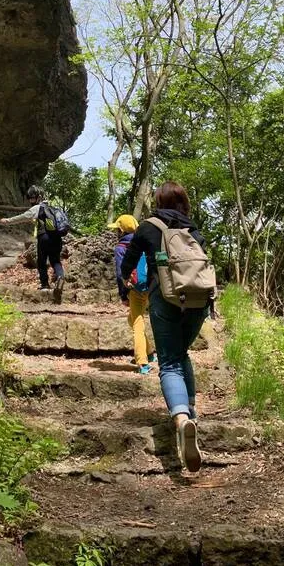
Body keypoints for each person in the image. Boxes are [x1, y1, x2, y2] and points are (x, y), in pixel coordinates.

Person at [120, 182, 209, 473]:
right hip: (198, 300)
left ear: (158, 201)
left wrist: (125, 280)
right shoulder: (193, 229)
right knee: (182, 353)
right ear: (184, 202)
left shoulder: (148, 227)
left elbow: (129, 261)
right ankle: (192, 412)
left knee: (169, 362)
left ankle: (182, 420)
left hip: (166, 298)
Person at [108, 214, 156, 375]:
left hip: (135, 289)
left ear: (121, 230)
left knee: (137, 323)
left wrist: (123, 295)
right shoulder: (144, 241)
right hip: (151, 286)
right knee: (132, 319)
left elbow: (121, 273)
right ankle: (149, 353)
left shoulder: (121, 247)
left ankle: (142, 362)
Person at [0, 186, 65, 295]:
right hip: (57, 238)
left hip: (44, 237)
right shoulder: (54, 208)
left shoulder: (37, 208)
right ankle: (60, 276)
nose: (30, 201)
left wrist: (7, 221)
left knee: (41, 262)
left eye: (32, 198)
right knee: (55, 261)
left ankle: (45, 285)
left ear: (38, 197)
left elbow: (23, 217)